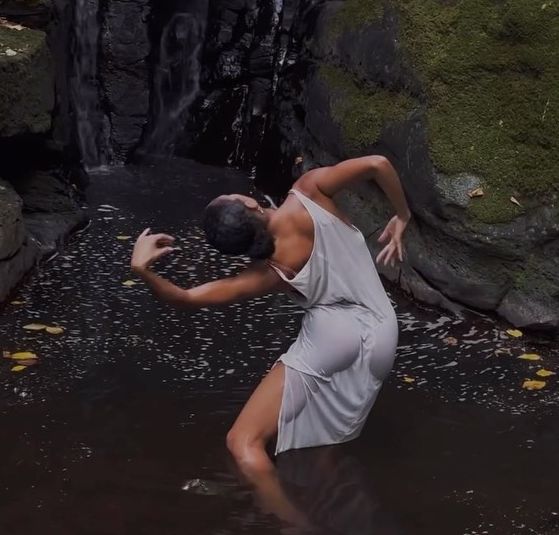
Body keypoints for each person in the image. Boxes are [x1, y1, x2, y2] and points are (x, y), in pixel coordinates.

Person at [130, 155, 410, 480]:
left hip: (334, 337)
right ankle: (320, 500)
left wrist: (142, 270)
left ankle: (281, 511)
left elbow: (186, 297)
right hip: (384, 334)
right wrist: (402, 215)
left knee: (243, 443)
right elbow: (377, 164)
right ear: (250, 202)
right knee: (323, 448)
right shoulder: (309, 191)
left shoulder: (270, 272)